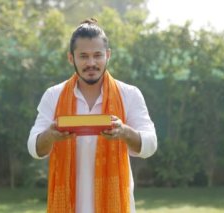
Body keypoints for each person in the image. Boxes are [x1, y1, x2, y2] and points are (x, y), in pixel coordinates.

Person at [27, 18, 157, 213]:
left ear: (108, 55)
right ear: (71, 58)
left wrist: (124, 132)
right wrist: (50, 135)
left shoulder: (129, 94)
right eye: (83, 56)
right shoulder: (53, 95)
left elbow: (150, 145)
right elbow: (34, 147)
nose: (91, 63)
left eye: (97, 55)